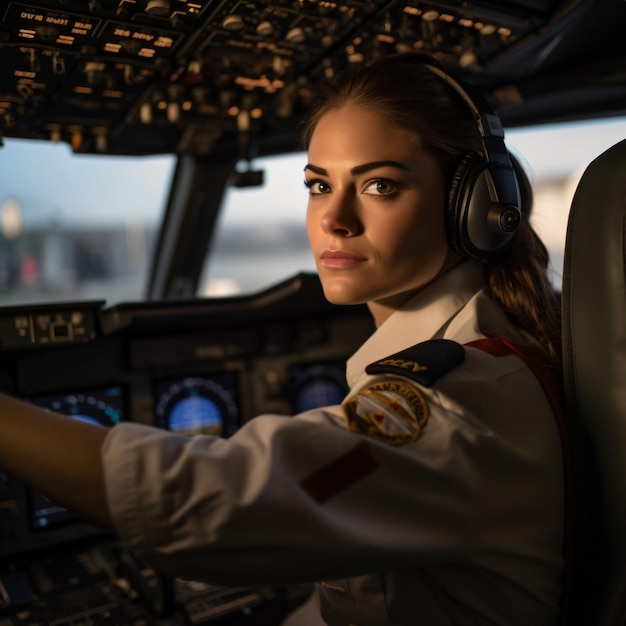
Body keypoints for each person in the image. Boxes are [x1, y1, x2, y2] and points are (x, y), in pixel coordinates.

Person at [0, 53, 565, 625]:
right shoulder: (497, 347)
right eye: (319, 185)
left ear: (473, 207)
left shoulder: (451, 407)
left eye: (379, 184)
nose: (335, 219)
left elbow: (211, 500)